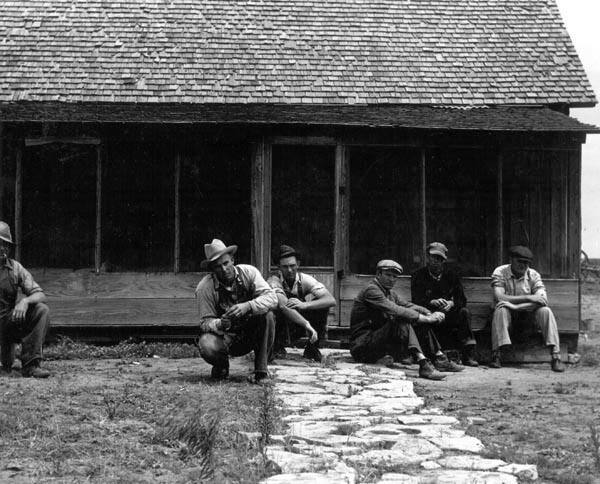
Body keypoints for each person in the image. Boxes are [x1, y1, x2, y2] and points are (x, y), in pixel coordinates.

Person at [349, 259, 454, 380]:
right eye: (388, 275)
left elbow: (408, 305)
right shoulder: (371, 290)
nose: (392, 279)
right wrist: (427, 319)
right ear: (378, 274)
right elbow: (396, 310)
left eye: (395, 276)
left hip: (377, 343)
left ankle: (439, 358)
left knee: (416, 321)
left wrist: (428, 312)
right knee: (401, 319)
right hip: (362, 347)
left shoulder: (390, 293)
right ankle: (423, 364)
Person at [195, 239, 277, 383]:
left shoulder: (249, 272)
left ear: (232, 260)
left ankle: (261, 372)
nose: (224, 269)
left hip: (250, 334)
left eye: (226, 263)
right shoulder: (204, 288)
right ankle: (221, 366)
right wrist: (220, 323)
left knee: (268, 316)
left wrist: (248, 306)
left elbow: (272, 298)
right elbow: (204, 323)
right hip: (226, 338)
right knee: (206, 343)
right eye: (218, 267)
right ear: (212, 269)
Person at [489, 245, 564, 372]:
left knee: (546, 311)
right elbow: (500, 296)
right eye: (520, 261)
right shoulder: (500, 271)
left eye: (526, 263)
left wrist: (515, 305)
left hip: (528, 319)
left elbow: (542, 300)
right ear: (511, 259)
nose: (523, 266)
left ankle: (556, 356)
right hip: (508, 319)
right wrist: (529, 298)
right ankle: (496, 355)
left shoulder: (533, 275)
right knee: (501, 309)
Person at [411, 242, 478, 367]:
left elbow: (462, 300)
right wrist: (432, 302)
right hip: (428, 314)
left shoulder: (452, 275)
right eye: (433, 257)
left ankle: (468, 354)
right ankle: (424, 355)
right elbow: (415, 300)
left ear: (444, 261)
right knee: (417, 315)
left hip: (447, 315)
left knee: (464, 312)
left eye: (440, 259)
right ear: (427, 257)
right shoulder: (418, 275)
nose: (436, 261)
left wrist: (451, 303)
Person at [267, 245, 336, 362]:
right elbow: (283, 306)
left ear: (298, 264)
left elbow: (330, 300)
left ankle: (312, 349)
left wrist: (305, 305)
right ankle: (276, 347)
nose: (289, 270)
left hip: (298, 324)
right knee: (273, 312)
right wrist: (306, 324)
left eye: (292, 266)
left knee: (321, 307)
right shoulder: (273, 281)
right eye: (285, 267)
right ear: (279, 267)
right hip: (282, 323)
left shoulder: (305, 280)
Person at [0, 221, 50, 378]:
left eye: (6, 244)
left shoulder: (15, 268)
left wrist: (25, 301)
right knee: (5, 365)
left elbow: (40, 294)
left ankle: (30, 365)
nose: (2, 248)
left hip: (6, 323)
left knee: (41, 310)